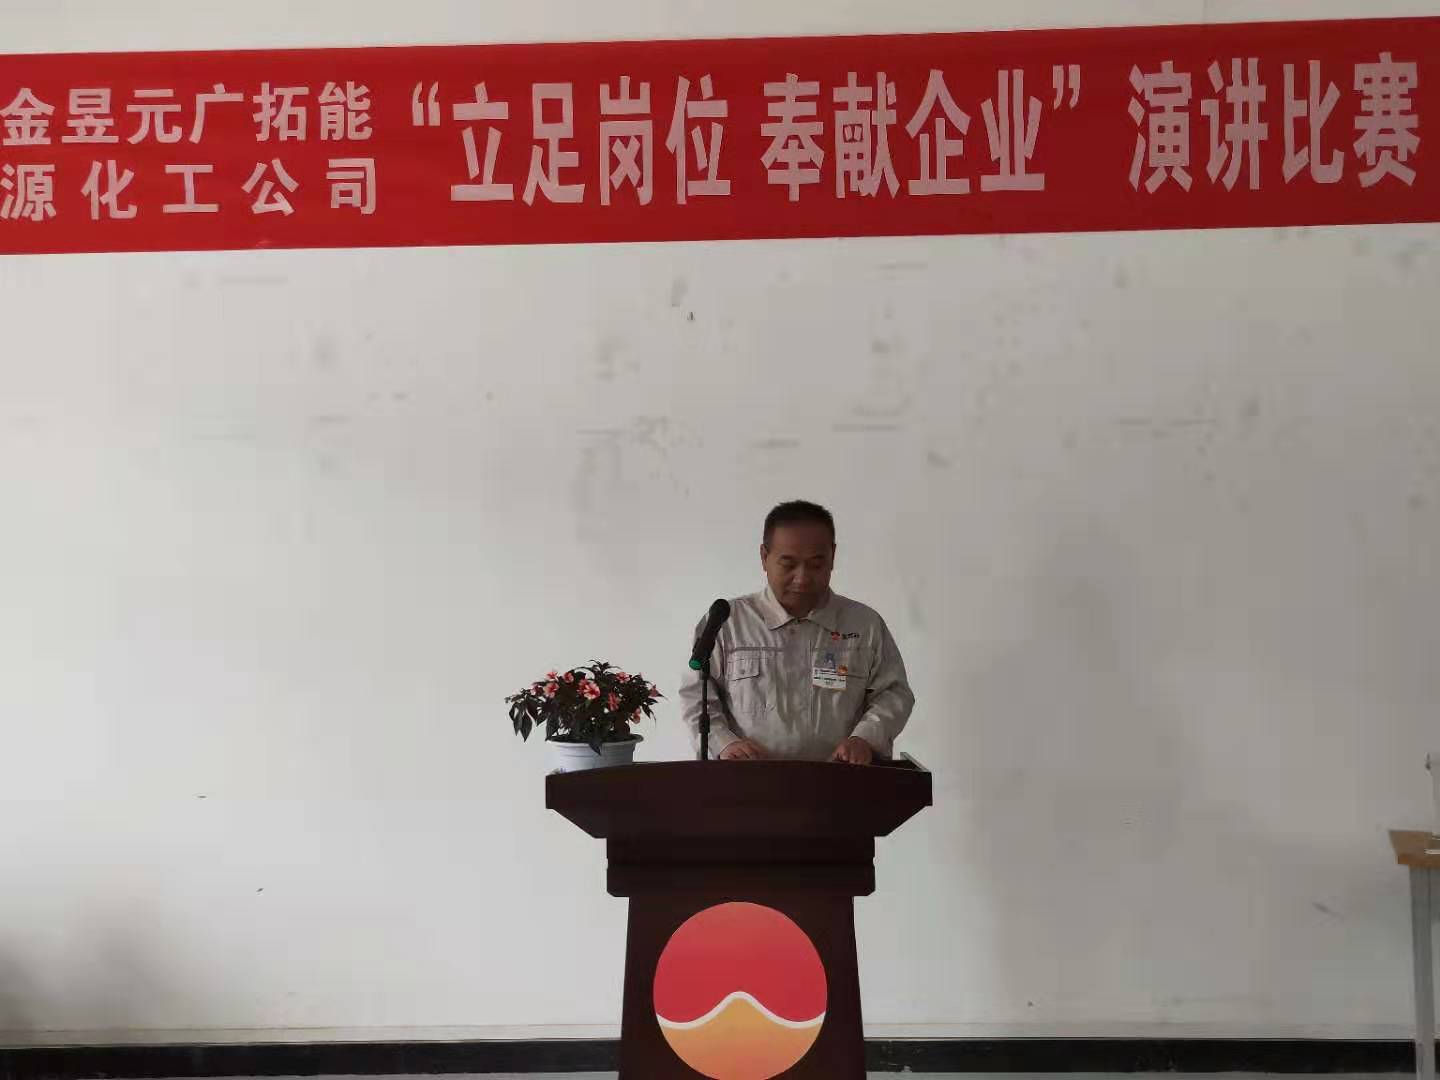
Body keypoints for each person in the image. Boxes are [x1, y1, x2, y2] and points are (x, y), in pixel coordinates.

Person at [678, 500, 915, 764]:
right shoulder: (728, 623)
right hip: (748, 780)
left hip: (840, 780)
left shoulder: (863, 624)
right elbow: (696, 694)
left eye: (815, 564)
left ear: (833, 556)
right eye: (788, 564)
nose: (802, 578)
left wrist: (865, 739)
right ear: (764, 557)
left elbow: (893, 693)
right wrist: (724, 743)